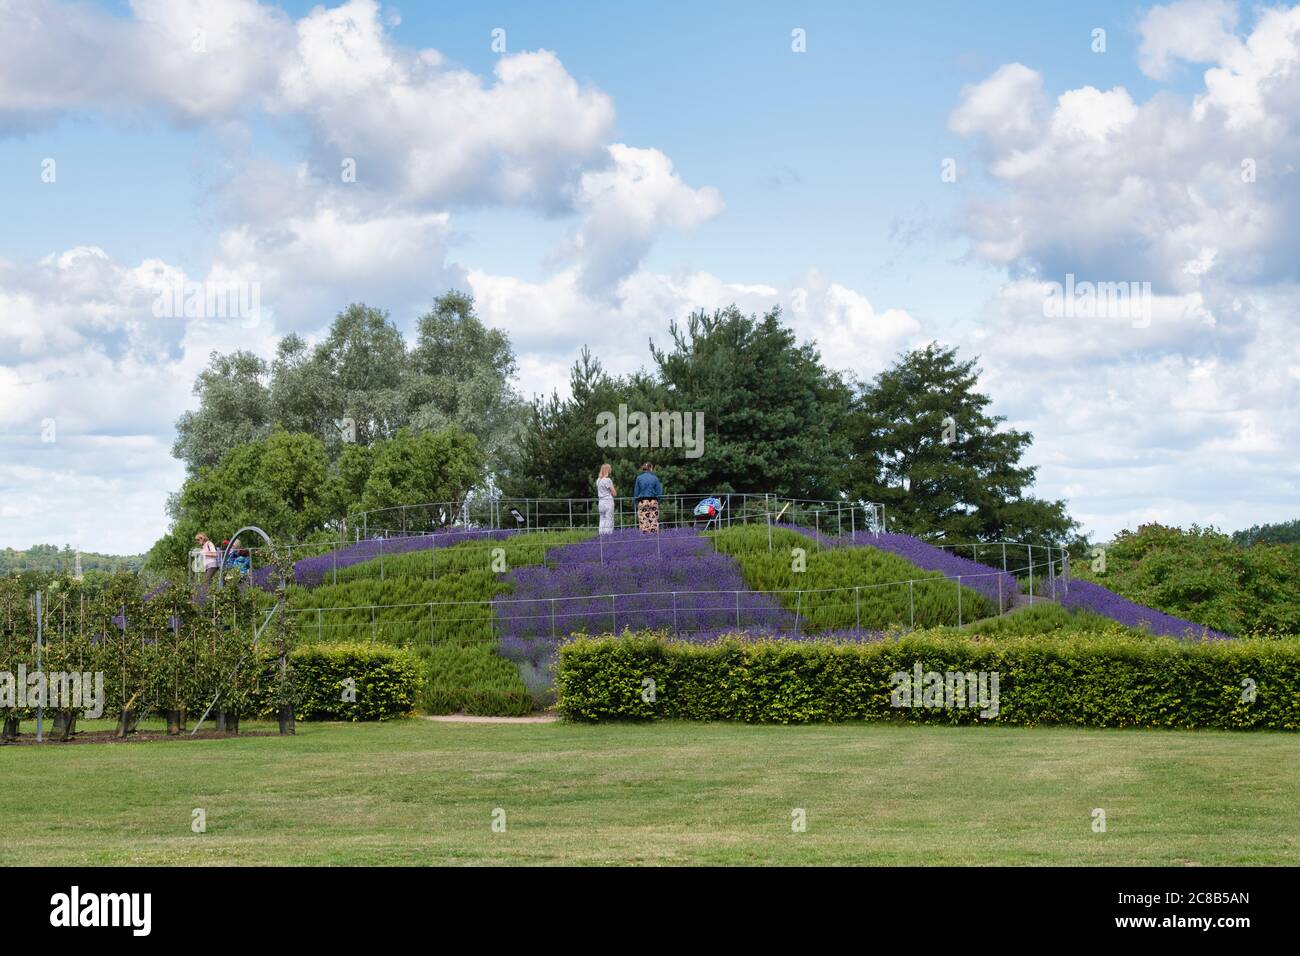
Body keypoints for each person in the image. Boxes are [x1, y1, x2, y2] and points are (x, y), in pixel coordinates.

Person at [633, 462, 663, 534]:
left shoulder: (639, 478)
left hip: (642, 501)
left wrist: (636, 502)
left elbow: (636, 492)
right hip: (653, 500)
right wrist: (658, 501)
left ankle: (645, 538)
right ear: (651, 469)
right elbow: (659, 492)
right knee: (653, 521)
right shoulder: (655, 478)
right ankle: (654, 537)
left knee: (643, 521)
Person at [596, 464, 617, 535]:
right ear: (608, 470)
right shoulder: (607, 480)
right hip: (608, 501)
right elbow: (614, 493)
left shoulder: (598, 480)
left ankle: (601, 535)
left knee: (602, 519)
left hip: (600, 502)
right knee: (609, 519)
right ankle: (608, 536)